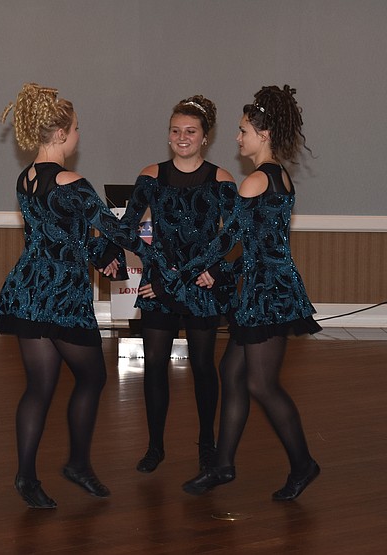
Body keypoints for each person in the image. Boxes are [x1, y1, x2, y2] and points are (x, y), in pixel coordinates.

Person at [0, 83, 144, 509]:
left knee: (39, 386)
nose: (79, 135)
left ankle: (27, 476)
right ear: (59, 133)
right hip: (61, 295)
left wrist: (101, 258)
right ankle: (77, 463)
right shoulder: (72, 181)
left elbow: (62, 236)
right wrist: (160, 255)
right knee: (92, 377)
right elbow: (116, 230)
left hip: (28, 289)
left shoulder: (25, 179)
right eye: (76, 128)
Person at [177, 85, 322, 501]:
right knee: (233, 373)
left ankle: (303, 464)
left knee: (262, 385)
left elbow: (228, 241)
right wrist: (219, 273)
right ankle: (222, 466)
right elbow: (261, 246)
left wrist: (187, 270)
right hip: (266, 289)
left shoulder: (255, 181)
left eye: (243, 131)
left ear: (265, 134)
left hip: (266, 296)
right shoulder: (279, 176)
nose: (238, 138)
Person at [120, 95, 238, 473]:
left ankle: (207, 443)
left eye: (191, 131)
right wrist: (157, 269)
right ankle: (155, 446)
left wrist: (216, 271)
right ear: (168, 135)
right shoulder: (151, 175)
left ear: (205, 137)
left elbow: (237, 234)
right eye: (176, 131)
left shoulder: (221, 179)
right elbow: (128, 228)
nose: (182, 137)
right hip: (160, 286)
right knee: (154, 363)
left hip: (203, 286)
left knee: (204, 365)